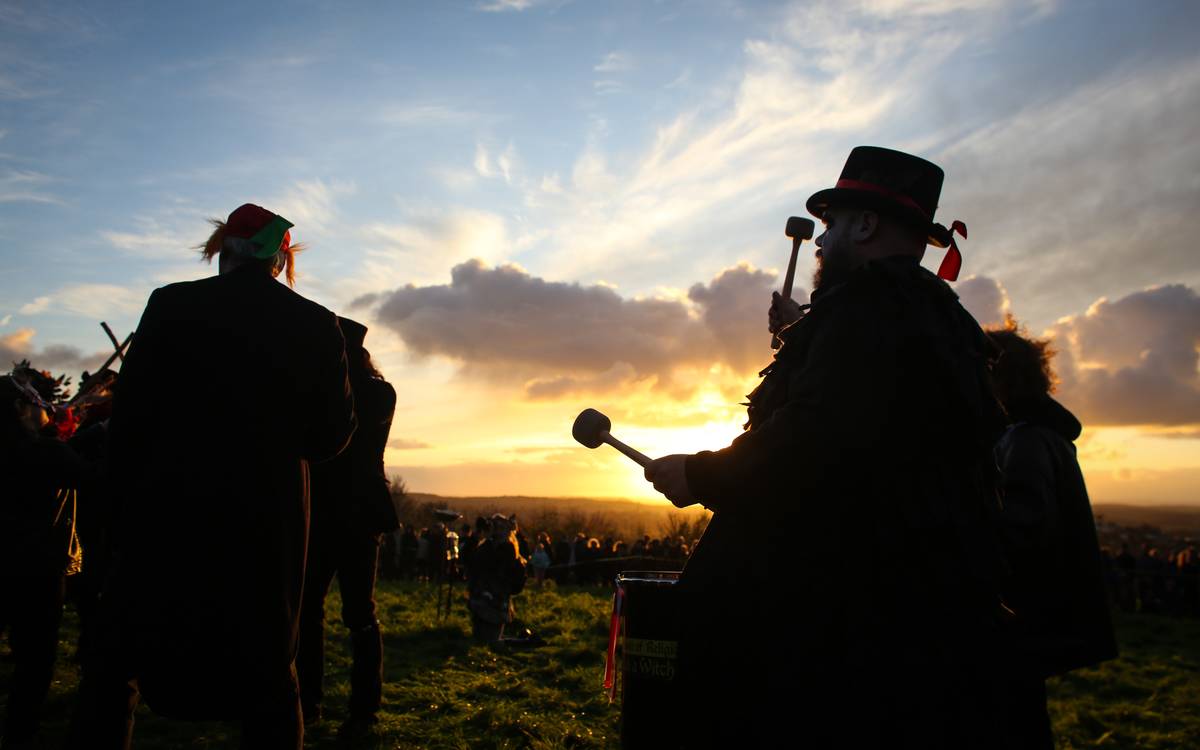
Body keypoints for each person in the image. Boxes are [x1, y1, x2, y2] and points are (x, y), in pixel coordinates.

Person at [644, 146, 1009, 747]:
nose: (818, 241)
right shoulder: (930, 315)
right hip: (920, 620)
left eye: (832, 224)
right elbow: (863, 415)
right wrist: (806, 333)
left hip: (850, 629)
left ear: (865, 225)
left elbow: (813, 441)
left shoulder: (869, 312)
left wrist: (701, 474)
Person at [73, 203, 356, 750]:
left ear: (221, 251)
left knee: (114, 670)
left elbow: (128, 422)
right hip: (265, 528)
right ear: (282, 259)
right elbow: (332, 438)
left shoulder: (170, 305)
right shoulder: (317, 324)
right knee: (272, 679)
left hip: (163, 517)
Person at [986, 323, 1117, 750]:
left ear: (1000, 378)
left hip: (1021, 618)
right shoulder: (1034, 436)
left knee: (1016, 721)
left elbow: (1021, 532)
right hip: (1029, 620)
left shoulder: (1026, 442)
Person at [296, 318, 397, 736]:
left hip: (327, 512)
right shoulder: (380, 392)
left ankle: (312, 703)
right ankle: (360, 708)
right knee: (356, 615)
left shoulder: (347, 394)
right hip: (359, 515)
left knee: (314, 613)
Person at [0, 373, 92, 747]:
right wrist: (100, 434)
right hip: (38, 569)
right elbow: (96, 478)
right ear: (21, 410)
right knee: (34, 664)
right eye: (37, 403)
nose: (45, 408)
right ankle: (20, 735)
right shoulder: (46, 453)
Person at [466, 514, 527, 642]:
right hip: (482, 599)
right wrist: (477, 536)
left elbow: (495, 564)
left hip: (495, 601)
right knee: (479, 638)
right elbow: (469, 560)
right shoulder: (487, 546)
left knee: (490, 640)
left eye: (500, 527)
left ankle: (516, 643)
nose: (497, 531)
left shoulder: (508, 549)